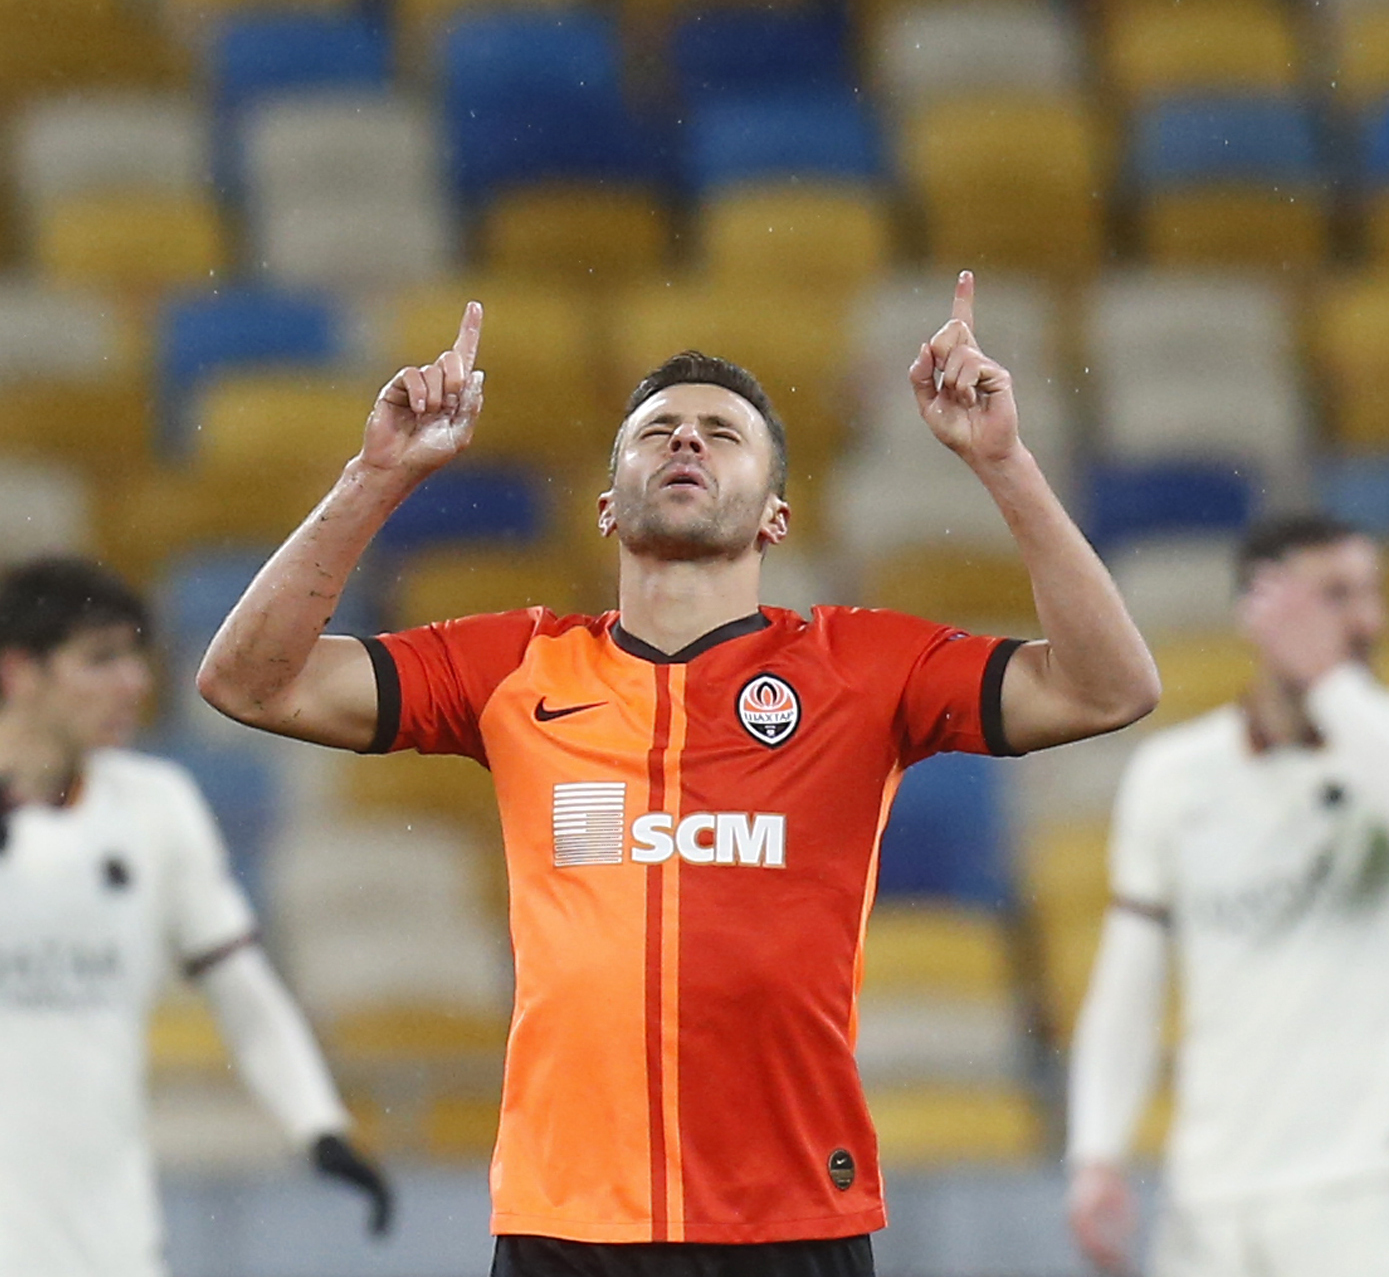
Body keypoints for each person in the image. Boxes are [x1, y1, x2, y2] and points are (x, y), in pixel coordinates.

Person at [197, 272, 1158, 1275]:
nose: (686, 439)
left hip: (789, 1222)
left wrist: (1002, 463)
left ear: (775, 517)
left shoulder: (862, 667)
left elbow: (1105, 688)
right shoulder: (516, 666)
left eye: (720, 431)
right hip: (566, 1222)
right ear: (608, 506)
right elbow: (252, 683)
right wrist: (375, 475)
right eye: (657, 430)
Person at [0, 556, 392, 1277]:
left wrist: (319, 1126)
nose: (135, 683)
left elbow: (241, 985)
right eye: (101, 660)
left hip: (112, 1244)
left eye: (135, 657)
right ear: (18, 672)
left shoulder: (158, 804)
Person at [1064, 515, 1389, 1277]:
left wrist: (1328, 681)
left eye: (1370, 594)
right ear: (1255, 611)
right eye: (1334, 595)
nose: (1366, 620)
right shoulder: (1173, 775)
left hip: (1371, 1188)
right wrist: (1097, 1149)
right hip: (1210, 1193)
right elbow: (1129, 981)